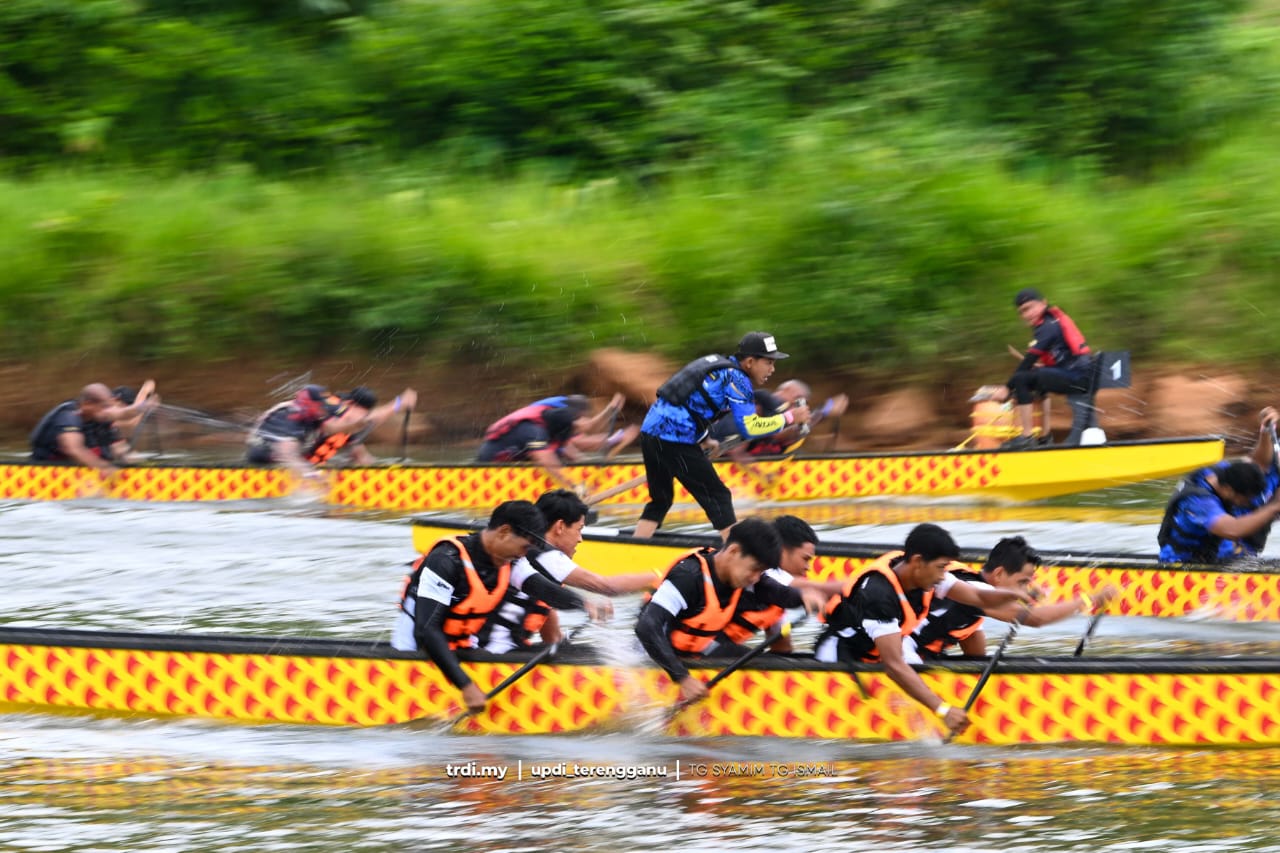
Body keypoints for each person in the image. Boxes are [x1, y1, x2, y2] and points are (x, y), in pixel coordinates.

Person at [814, 523, 1032, 737]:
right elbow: (894, 666)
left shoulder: (923, 575)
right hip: (841, 656)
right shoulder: (879, 594)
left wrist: (1016, 595)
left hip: (876, 656)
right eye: (941, 567)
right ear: (918, 562)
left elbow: (978, 601)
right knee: (910, 668)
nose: (943, 575)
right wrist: (943, 710)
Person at [390, 500, 601, 714]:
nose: (524, 554)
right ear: (504, 532)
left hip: (460, 646)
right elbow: (426, 630)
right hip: (416, 650)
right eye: (524, 547)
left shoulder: (511, 561)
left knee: (577, 652)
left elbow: (541, 588)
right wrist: (466, 686)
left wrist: (582, 604)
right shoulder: (445, 560)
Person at [633, 332, 811, 539]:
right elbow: (750, 428)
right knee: (719, 496)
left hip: (650, 433)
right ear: (750, 362)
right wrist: (790, 417)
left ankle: (637, 544)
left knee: (661, 500)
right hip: (674, 440)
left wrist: (704, 439)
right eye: (769, 362)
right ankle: (734, 552)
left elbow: (688, 404)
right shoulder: (737, 379)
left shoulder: (717, 365)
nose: (772, 369)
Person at [634, 517, 828, 703]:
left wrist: (803, 597)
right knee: (757, 663)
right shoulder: (688, 577)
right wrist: (682, 678)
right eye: (754, 569)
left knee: (765, 662)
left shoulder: (743, 574)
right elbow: (647, 627)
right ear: (734, 551)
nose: (755, 578)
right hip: (653, 658)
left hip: (694, 651)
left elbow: (776, 592)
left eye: (761, 572)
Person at [480, 488, 652, 654]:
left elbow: (552, 637)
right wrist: (659, 577)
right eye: (579, 529)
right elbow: (607, 586)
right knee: (598, 654)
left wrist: (566, 651)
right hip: (495, 653)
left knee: (586, 652)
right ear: (560, 527)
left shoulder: (540, 568)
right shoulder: (544, 555)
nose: (580, 539)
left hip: (507, 650)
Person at [908, 536, 1116, 659]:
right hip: (902, 658)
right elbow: (1036, 618)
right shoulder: (979, 592)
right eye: (1022, 582)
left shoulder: (972, 604)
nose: (1025, 589)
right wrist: (1091, 600)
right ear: (999, 574)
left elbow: (976, 659)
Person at [1158, 407, 1280, 564]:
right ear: (1228, 491)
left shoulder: (1231, 472)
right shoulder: (1198, 501)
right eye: (1246, 500)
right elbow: (1233, 529)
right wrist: (1274, 507)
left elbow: (1259, 463)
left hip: (1229, 553)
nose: (1249, 502)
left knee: (1270, 481)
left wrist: (1266, 432)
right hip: (1186, 564)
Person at [713, 515, 844, 653]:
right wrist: (856, 583)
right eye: (805, 559)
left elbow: (782, 647)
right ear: (781, 551)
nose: (808, 567)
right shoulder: (767, 575)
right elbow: (813, 588)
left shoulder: (772, 593)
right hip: (707, 650)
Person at [987, 288, 1093, 450]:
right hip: (1077, 373)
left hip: (1078, 377)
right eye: (1022, 311)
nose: (1027, 314)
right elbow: (1062, 357)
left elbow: (1028, 361)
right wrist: (1043, 367)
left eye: (1030, 308)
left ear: (1043, 303)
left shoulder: (1047, 327)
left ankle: (1027, 437)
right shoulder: (1050, 322)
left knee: (1021, 379)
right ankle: (1045, 437)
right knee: (1035, 378)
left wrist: (1006, 388)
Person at [247, 384, 417, 478]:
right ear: (350, 405)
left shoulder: (331, 418)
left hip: (300, 462)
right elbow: (286, 452)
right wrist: (311, 475)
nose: (324, 410)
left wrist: (382, 473)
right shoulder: (291, 417)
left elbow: (362, 456)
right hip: (266, 463)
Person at [477, 394, 639, 488]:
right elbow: (548, 462)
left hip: (521, 456)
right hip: (489, 469)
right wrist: (576, 487)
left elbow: (582, 433)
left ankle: (612, 441)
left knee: (570, 452)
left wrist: (611, 411)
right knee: (560, 453)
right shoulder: (533, 431)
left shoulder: (557, 421)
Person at [30, 382, 158, 474]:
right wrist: (104, 467)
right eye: (104, 407)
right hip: (48, 468)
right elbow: (73, 449)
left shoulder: (100, 416)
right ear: (87, 404)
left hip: (84, 465)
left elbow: (123, 413)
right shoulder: (68, 416)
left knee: (120, 450)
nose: (108, 411)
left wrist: (143, 407)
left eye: (109, 407)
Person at [711, 379, 848, 458]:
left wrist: (821, 414)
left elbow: (791, 433)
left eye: (801, 404)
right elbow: (779, 434)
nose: (797, 407)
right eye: (797, 400)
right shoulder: (761, 404)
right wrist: (823, 412)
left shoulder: (780, 412)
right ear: (785, 391)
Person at [306, 385, 418, 466]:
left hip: (313, 468)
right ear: (350, 403)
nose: (361, 418)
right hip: (301, 467)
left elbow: (361, 456)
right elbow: (369, 420)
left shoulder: (349, 427)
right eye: (360, 413)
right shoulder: (330, 410)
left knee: (362, 457)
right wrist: (399, 403)